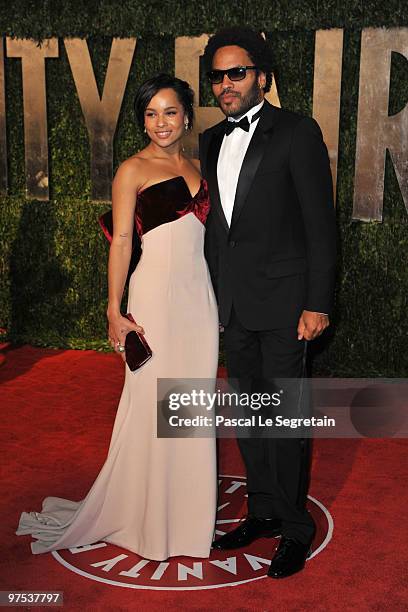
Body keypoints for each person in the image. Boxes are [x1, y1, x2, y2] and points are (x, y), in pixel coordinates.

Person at [15, 74, 219, 561]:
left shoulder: (198, 166)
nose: (161, 123)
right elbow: (124, 241)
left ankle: (187, 522)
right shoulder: (132, 169)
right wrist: (114, 308)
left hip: (199, 300)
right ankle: (145, 520)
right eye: (151, 114)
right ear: (143, 121)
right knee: (151, 405)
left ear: (187, 116)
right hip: (154, 299)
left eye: (170, 112)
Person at [200, 27, 337, 578]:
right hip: (233, 306)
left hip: (286, 305)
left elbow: (320, 227)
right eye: (218, 75)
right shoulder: (210, 140)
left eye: (238, 72)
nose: (227, 84)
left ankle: (296, 527)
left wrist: (317, 302)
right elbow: (220, 231)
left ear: (262, 76)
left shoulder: (298, 132)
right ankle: (261, 512)